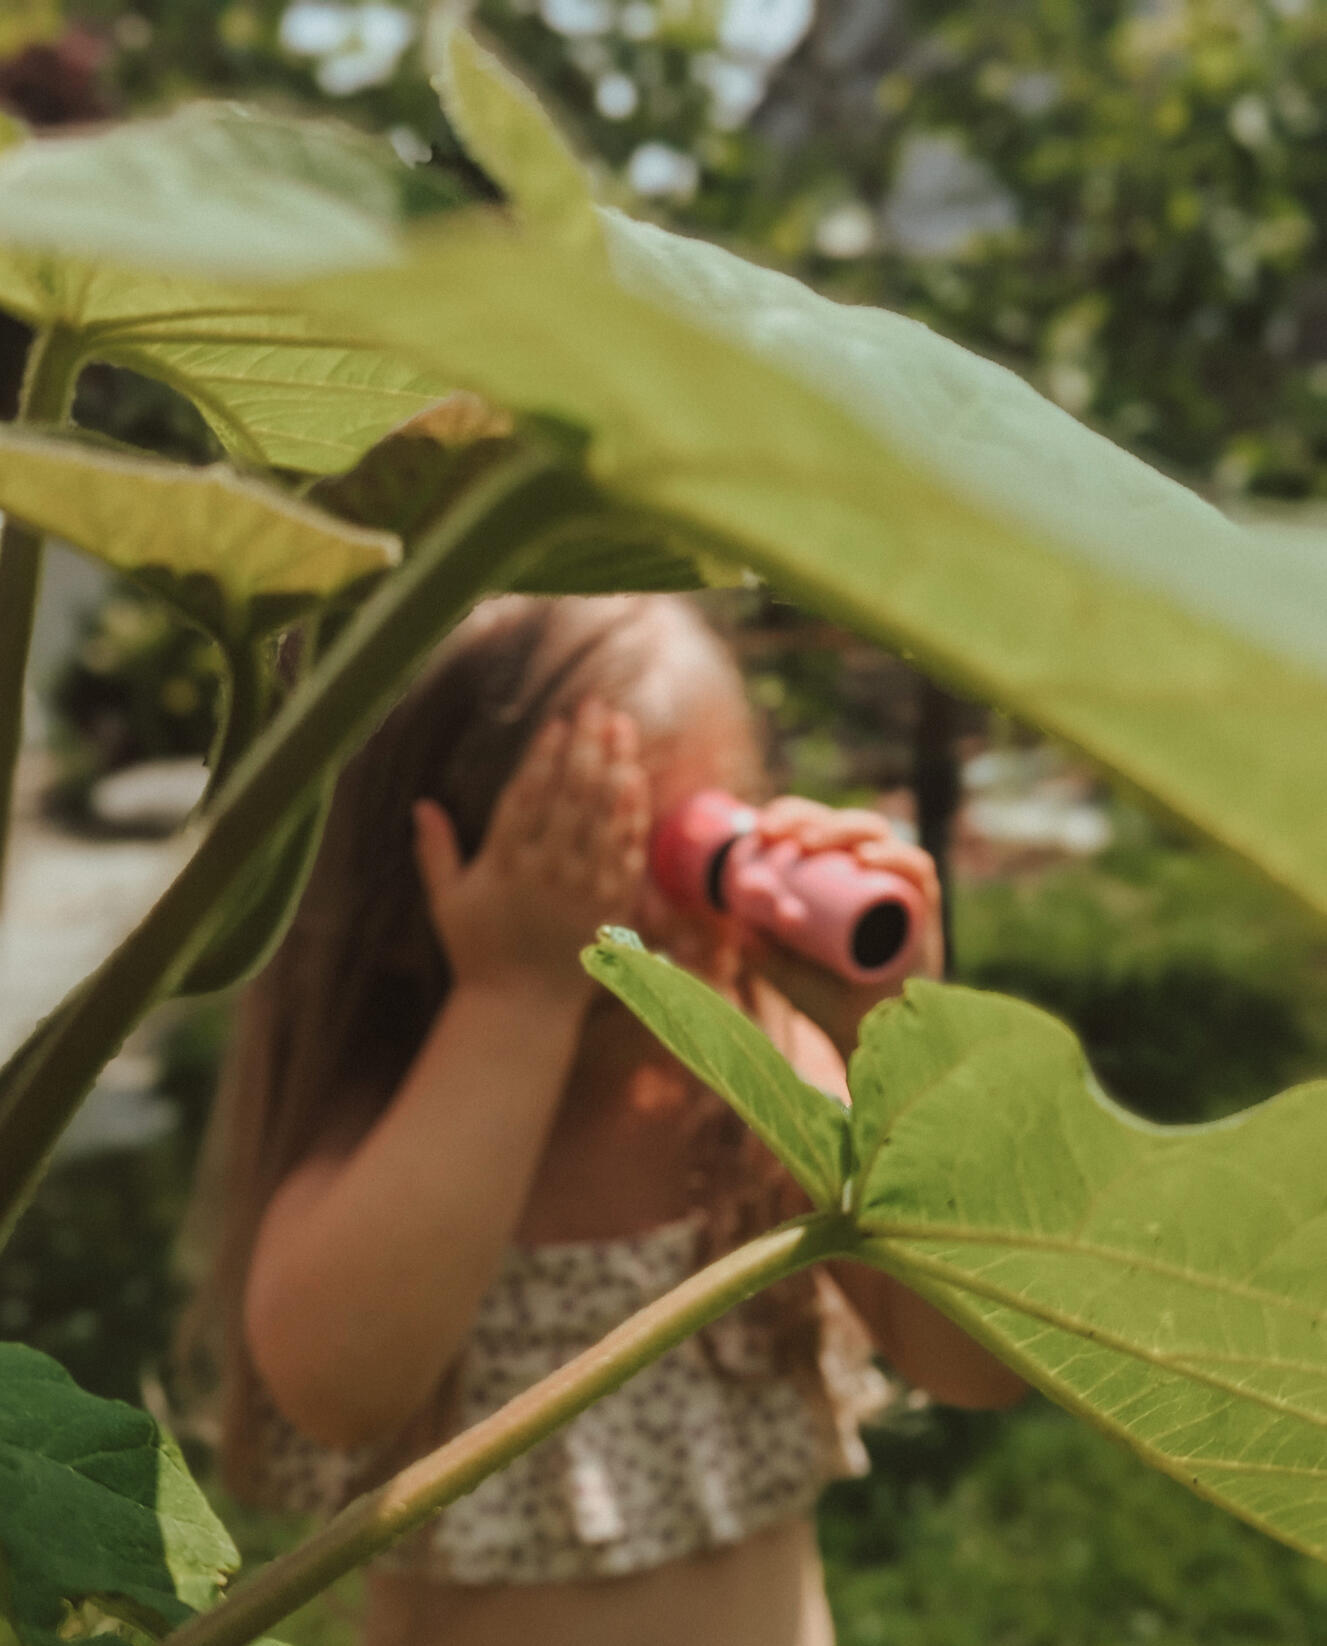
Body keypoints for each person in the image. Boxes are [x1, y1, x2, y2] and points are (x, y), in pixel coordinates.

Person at [183, 593, 1023, 1646]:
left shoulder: (762, 1082)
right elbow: (334, 1383)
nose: (665, 904)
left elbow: (978, 1359)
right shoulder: (404, 1116)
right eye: (586, 839)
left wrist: (899, 1051)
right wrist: (516, 997)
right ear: (418, 884)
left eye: (704, 842)